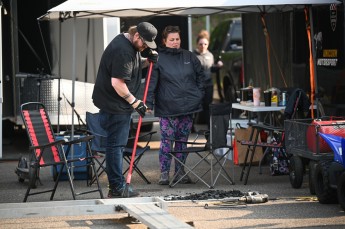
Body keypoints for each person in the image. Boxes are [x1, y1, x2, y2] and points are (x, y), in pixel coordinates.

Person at [92, 22, 158, 198]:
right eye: (144, 43)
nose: (145, 47)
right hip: (115, 107)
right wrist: (136, 102)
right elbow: (117, 83)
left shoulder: (127, 43)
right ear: (137, 36)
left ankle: (116, 186)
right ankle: (116, 188)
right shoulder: (123, 50)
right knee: (115, 147)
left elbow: (131, 65)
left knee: (117, 146)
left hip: (116, 106)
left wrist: (147, 61)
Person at [146, 25, 205, 185]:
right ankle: (164, 173)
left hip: (188, 107)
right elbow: (152, 81)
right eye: (171, 40)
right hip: (167, 108)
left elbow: (201, 76)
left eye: (177, 39)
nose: (175, 42)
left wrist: (199, 94)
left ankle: (180, 172)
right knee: (167, 141)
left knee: (182, 141)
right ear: (164, 41)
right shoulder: (158, 58)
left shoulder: (189, 56)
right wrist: (149, 102)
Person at [193, 30, 223, 128]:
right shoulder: (193, 55)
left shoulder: (210, 55)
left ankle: (209, 127)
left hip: (208, 85)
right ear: (197, 44)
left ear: (208, 44)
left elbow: (210, 69)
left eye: (205, 44)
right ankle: (191, 127)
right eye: (201, 44)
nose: (203, 46)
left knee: (208, 106)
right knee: (195, 106)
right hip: (197, 86)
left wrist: (218, 66)